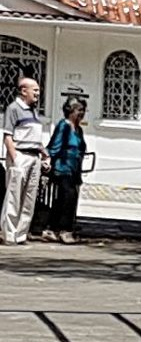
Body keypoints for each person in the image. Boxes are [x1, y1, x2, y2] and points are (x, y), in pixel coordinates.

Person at [3, 77, 48, 246]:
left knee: (29, 198)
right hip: (20, 155)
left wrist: (44, 154)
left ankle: (21, 234)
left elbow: (34, 138)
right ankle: (9, 234)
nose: (37, 93)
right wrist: (15, 159)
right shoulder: (14, 108)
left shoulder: (34, 111)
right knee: (14, 197)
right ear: (23, 91)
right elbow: (8, 136)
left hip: (34, 156)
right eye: (34, 89)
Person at [40, 96, 85, 245]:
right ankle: (64, 230)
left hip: (74, 170)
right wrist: (47, 160)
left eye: (83, 110)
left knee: (65, 199)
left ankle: (52, 228)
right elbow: (55, 145)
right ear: (70, 111)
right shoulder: (63, 126)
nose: (82, 113)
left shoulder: (79, 130)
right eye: (79, 110)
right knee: (67, 197)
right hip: (63, 168)